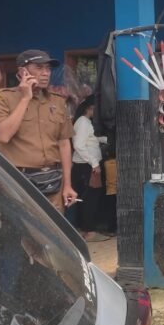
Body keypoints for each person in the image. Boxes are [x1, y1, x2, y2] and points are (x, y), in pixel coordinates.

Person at [0, 50, 77, 212]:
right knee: (23, 233)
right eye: (39, 68)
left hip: (53, 181)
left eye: (48, 69)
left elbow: (64, 143)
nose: (45, 73)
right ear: (23, 71)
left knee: (53, 235)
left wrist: (67, 185)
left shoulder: (57, 101)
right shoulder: (2, 98)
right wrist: (25, 98)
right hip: (18, 181)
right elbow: (3, 136)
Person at [71, 95, 110, 241]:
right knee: (90, 198)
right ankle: (89, 231)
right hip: (86, 166)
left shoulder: (85, 122)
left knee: (89, 197)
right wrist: (94, 164)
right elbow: (79, 145)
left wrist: (102, 139)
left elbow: (88, 139)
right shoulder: (83, 122)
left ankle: (87, 229)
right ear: (89, 108)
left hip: (87, 165)